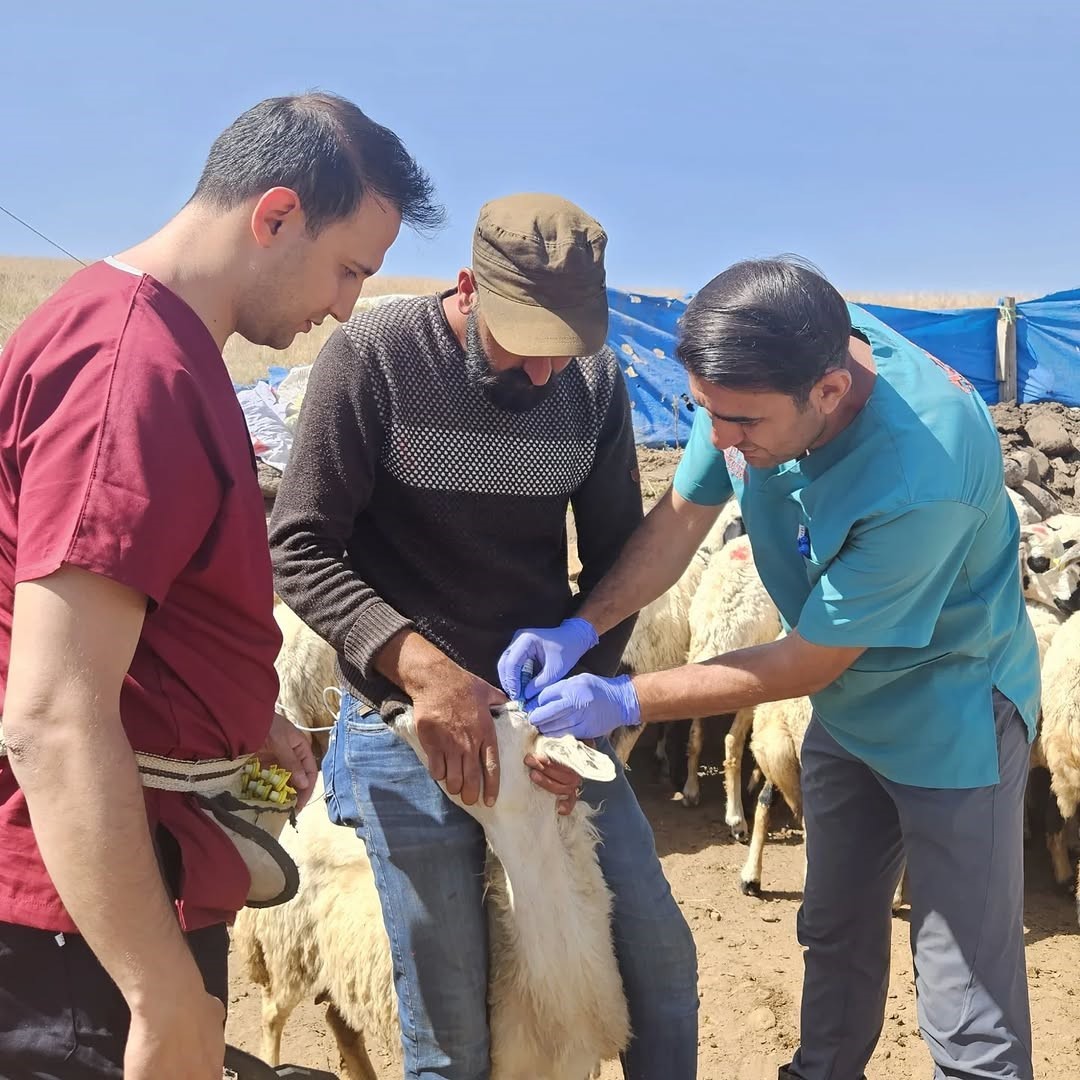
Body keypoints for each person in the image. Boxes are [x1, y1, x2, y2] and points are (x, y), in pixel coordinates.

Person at [501, 258, 1040, 1080]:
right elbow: (680, 521)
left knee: (964, 990)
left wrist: (621, 697)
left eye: (741, 423)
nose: (720, 438)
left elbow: (804, 659)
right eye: (705, 412)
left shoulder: (924, 468)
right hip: (846, 709)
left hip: (950, 712)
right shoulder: (759, 366)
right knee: (834, 927)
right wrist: (582, 626)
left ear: (829, 391)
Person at [0, 92, 442, 1080]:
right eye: (348, 270)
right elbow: (54, 712)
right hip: (79, 927)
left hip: (124, 885)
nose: (343, 307)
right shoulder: (131, 372)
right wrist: (160, 992)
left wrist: (244, 722)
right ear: (275, 215)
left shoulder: (158, 350)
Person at [269, 193, 700, 1080]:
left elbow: (618, 563)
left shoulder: (593, 382)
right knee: (454, 1026)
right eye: (525, 342)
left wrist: (582, 700)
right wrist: (424, 672)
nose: (545, 372)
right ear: (468, 288)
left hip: (542, 720)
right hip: (405, 723)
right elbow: (300, 544)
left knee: (658, 967)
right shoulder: (373, 358)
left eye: (564, 345)